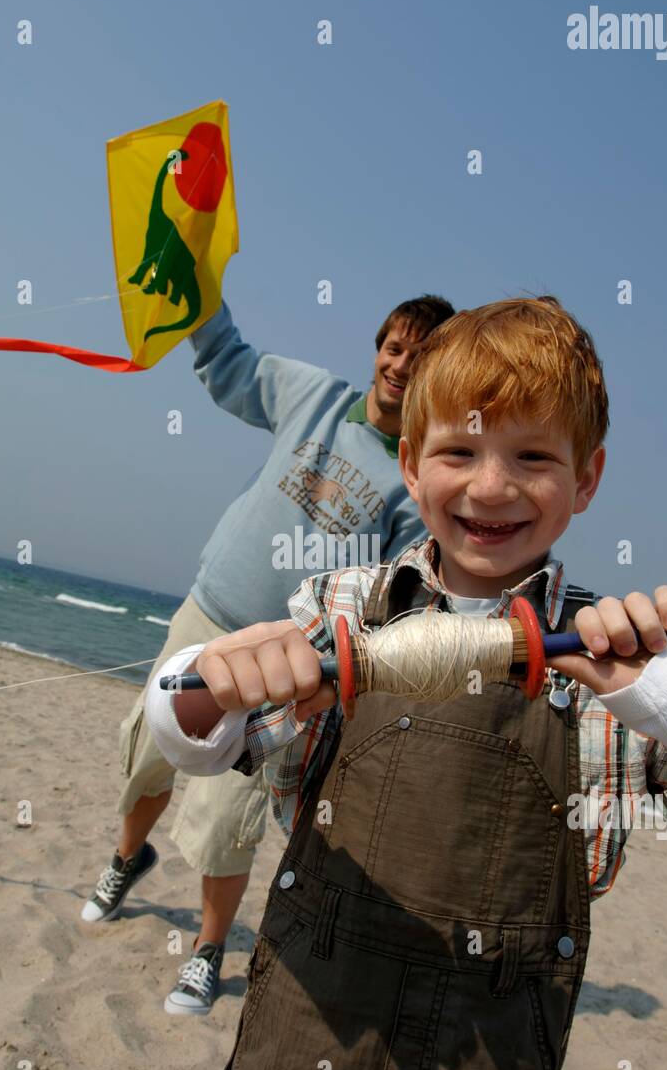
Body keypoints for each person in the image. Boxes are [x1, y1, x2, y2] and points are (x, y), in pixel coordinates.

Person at [144, 295, 667, 1070]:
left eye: (533, 457)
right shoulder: (341, 608)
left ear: (586, 481)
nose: (489, 487)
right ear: (408, 461)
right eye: (458, 452)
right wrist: (206, 679)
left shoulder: (607, 666)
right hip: (297, 1057)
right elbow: (194, 740)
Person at [81, 293, 456, 1018]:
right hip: (203, 617)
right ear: (378, 348)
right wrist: (199, 287)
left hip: (275, 673)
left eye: (422, 358)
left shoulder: (415, 484)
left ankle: (206, 950)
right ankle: (127, 860)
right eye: (395, 347)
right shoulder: (312, 394)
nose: (401, 367)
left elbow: (393, 598)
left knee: (226, 821)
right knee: (147, 760)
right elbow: (228, 364)